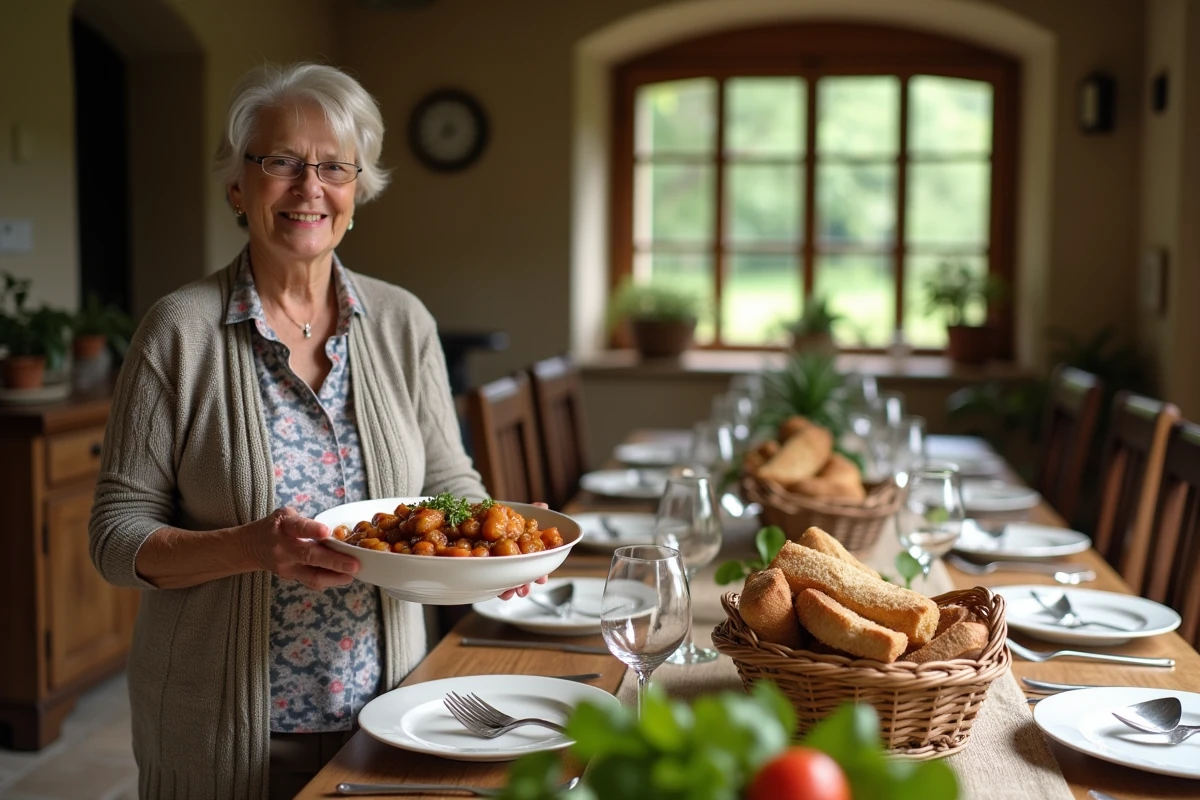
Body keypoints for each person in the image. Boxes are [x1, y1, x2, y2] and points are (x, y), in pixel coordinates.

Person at [89, 62, 532, 800]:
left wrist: (496, 548)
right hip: (225, 735)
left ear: (357, 192)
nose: (308, 187)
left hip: (391, 714)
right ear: (238, 186)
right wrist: (246, 548)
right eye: (281, 163)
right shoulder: (178, 331)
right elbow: (113, 536)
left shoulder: (402, 322)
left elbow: (449, 481)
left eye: (333, 166)